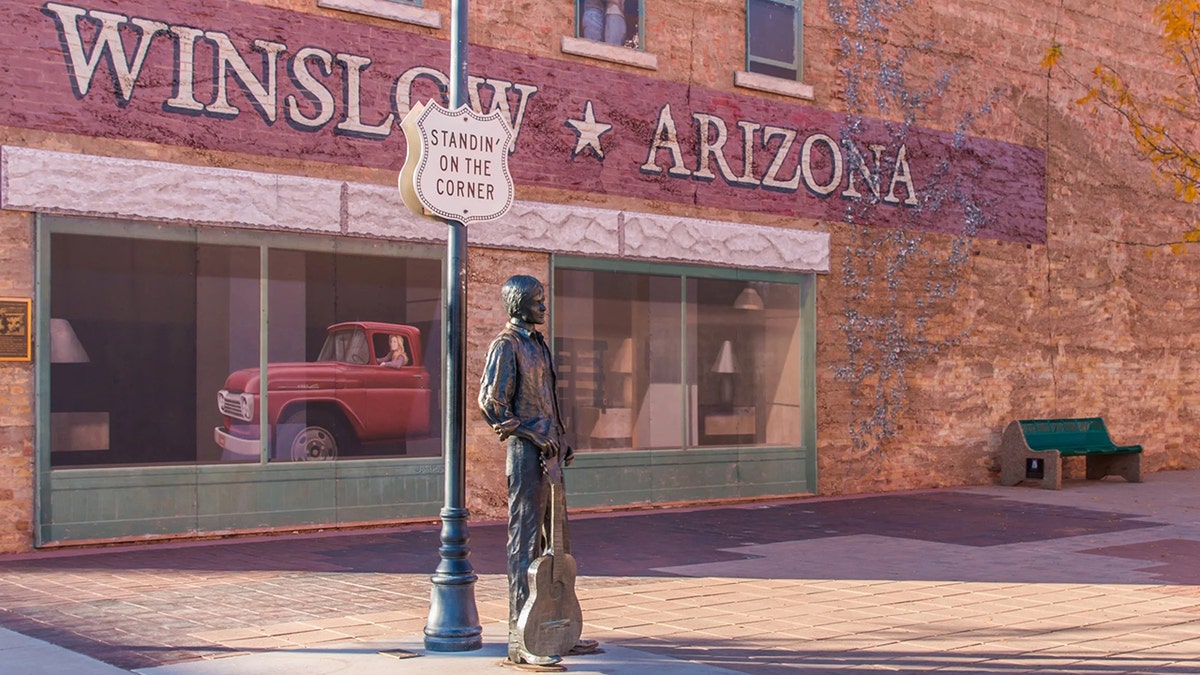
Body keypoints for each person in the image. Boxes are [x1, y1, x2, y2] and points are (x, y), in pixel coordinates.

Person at [478, 275, 596, 667]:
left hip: (549, 457)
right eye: (538, 302)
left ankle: (557, 629)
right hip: (526, 457)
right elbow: (491, 403)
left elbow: (546, 401)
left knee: (558, 544)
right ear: (519, 305)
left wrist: (560, 438)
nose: (544, 308)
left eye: (543, 301)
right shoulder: (506, 345)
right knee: (524, 544)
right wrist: (531, 434)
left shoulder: (539, 345)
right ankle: (520, 637)